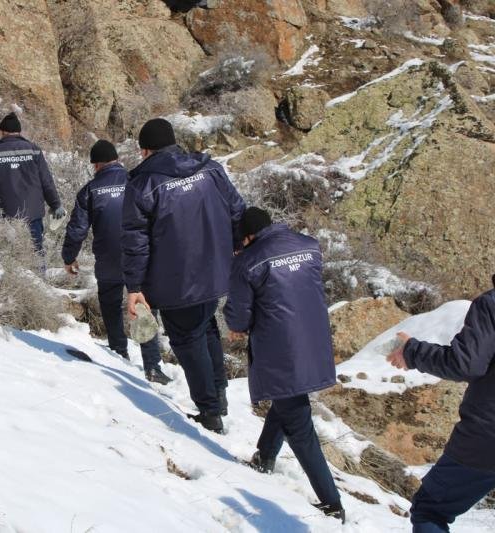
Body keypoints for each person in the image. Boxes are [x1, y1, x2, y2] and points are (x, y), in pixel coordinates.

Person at [122, 118, 246, 434]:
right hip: (215, 271)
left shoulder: (142, 184)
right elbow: (237, 211)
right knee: (205, 327)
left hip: (175, 280)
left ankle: (209, 412)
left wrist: (134, 286)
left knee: (188, 338)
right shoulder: (211, 169)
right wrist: (236, 249)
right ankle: (218, 396)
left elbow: (136, 240)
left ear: (144, 149)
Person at [224, 207, 344, 522]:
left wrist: (237, 325)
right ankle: (264, 457)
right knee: (287, 398)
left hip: (280, 348)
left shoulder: (248, 261)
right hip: (314, 339)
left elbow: (239, 314)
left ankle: (332, 503)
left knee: (299, 425)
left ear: (247, 237)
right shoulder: (308, 244)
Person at [387, 274, 495, 532]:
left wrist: (411, 351)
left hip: (486, 437)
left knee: (431, 510)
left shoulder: (491, 305)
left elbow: (465, 364)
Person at [62, 140, 172, 385]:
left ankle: (118, 354)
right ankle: (152, 366)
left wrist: (69, 257)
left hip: (108, 259)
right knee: (144, 307)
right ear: (117, 160)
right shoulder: (137, 180)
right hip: (140, 257)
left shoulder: (90, 190)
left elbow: (77, 228)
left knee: (111, 307)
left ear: (97, 164)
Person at [0, 112, 65, 254]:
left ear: (2, 131)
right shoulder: (34, 150)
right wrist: (55, 204)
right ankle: (40, 275)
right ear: (19, 132)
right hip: (33, 213)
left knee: (11, 254)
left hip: (6, 213)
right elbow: (46, 181)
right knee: (36, 252)